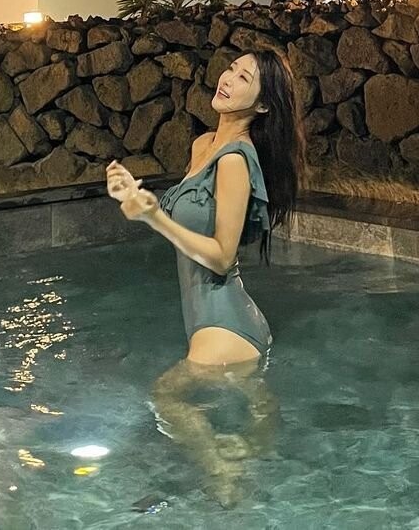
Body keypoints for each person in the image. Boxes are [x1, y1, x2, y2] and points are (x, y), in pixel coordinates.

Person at [106, 47, 304, 502]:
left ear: (263, 105)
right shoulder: (202, 147)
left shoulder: (235, 160)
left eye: (244, 78)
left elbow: (220, 256)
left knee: (166, 397)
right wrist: (134, 196)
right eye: (231, 68)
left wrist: (154, 216)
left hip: (225, 322)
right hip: (207, 318)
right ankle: (245, 457)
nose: (228, 79)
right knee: (243, 406)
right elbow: (187, 228)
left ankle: (224, 479)